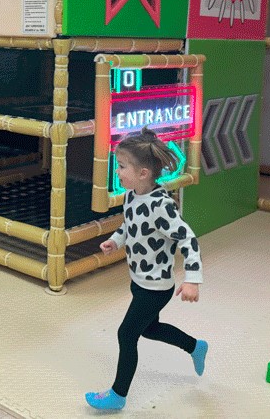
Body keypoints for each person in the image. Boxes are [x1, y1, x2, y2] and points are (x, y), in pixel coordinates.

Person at [85, 127, 208, 411]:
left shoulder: (162, 207)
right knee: (149, 329)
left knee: (126, 334)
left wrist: (192, 280)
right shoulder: (131, 196)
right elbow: (129, 226)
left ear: (143, 173)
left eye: (122, 166)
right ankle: (195, 346)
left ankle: (118, 394)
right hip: (138, 281)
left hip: (156, 287)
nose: (117, 172)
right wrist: (116, 241)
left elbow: (188, 239)